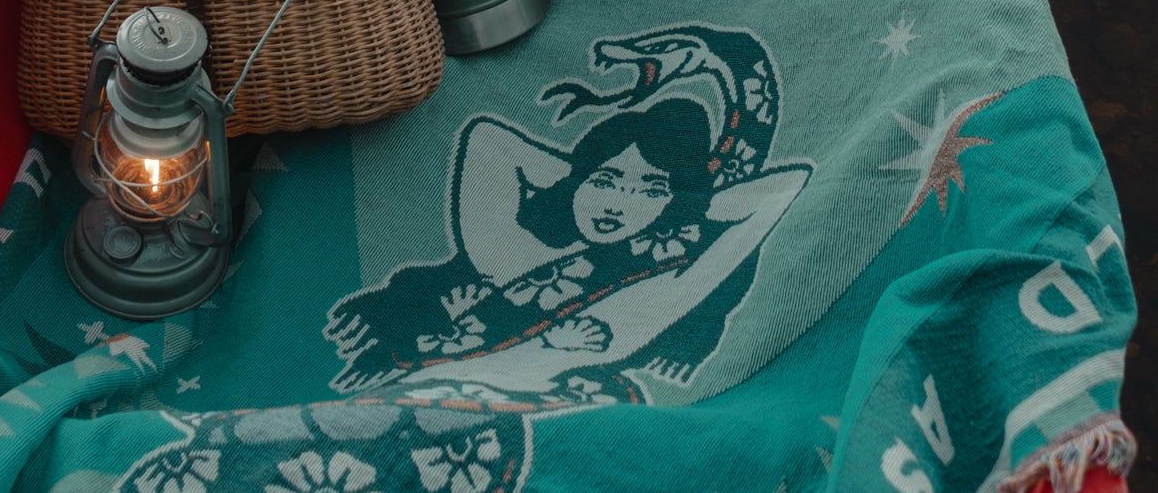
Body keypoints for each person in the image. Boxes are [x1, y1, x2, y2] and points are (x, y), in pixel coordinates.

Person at [323, 62, 811, 404]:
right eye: (606, 182)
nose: (617, 204)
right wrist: (579, 175)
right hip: (418, 392)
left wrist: (689, 202)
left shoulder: (667, 286)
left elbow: (782, 189)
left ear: (672, 204)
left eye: (650, 191)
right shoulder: (512, 253)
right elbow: (490, 140)